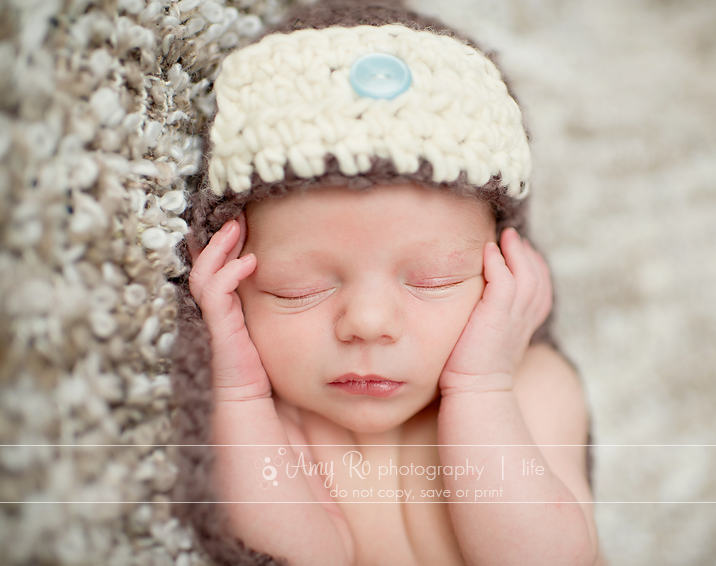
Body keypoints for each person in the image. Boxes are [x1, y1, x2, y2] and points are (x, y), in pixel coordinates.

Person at [173, 1, 600, 564]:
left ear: (508, 274)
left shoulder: (530, 385)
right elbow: (306, 552)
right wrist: (238, 391)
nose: (369, 324)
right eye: (296, 288)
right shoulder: (282, 415)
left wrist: (482, 388)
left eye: (434, 280)